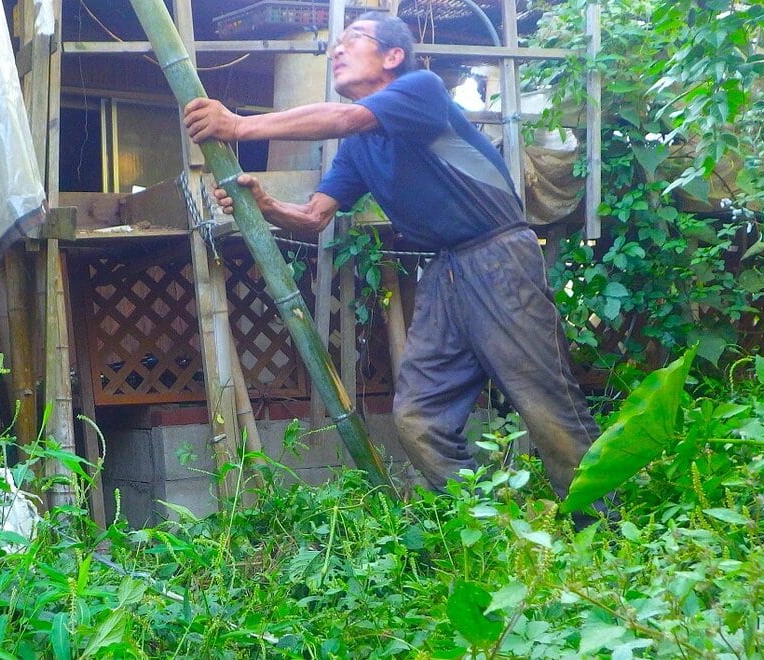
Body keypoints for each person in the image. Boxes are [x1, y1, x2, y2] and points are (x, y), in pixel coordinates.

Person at [183, 12, 601, 501]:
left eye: (352, 40)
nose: (337, 50)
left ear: (393, 56)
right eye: (335, 44)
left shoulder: (421, 89)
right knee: (419, 418)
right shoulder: (359, 148)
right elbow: (316, 216)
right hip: (444, 270)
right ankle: (484, 523)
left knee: (544, 401)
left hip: (499, 255)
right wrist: (268, 205)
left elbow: (344, 118)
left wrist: (236, 124)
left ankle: (603, 525)